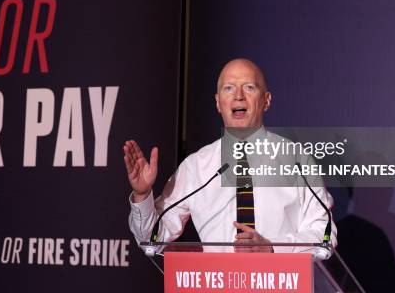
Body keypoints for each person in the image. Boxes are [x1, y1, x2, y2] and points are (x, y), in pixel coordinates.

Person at [123, 58, 337, 256]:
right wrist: (142, 195)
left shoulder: (297, 160)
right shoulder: (196, 167)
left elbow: (324, 236)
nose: (238, 96)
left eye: (249, 87)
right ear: (218, 103)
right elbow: (152, 241)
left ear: (266, 100)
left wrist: (272, 250)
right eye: (229, 88)